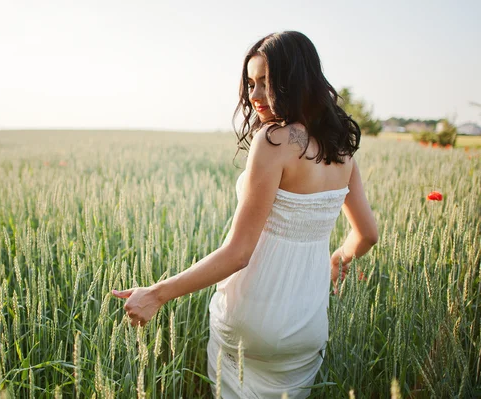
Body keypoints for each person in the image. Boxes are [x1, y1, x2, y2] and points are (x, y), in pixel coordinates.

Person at [113, 31, 378, 398]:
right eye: (250, 84)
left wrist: (157, 294)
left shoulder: (273, 141)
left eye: (266, 83)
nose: (254, 96)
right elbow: (367, 234)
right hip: (307, 326)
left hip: (249, 322)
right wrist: (338, 259)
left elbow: (239, 253)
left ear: (294, 79)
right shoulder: (342, 149)